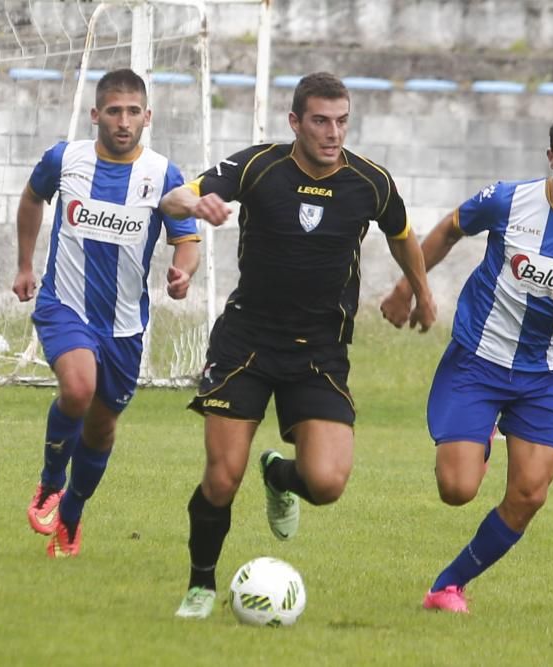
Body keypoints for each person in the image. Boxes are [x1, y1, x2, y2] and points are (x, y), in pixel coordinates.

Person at [160, 71, 437, 620]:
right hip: (247, 341)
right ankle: (201, 587)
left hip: (320, 352)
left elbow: (402, 233)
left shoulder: (370, 181)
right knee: (221, 477)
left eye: (341, 121)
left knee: (327, 483)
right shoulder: (258, 167)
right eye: (320, 121)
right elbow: (172, 199)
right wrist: (194, 208)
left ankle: (279, 475)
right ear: (295, 122)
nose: (333, 133)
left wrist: (420, 293)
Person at [380, 102, 553, 613]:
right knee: (456, 489)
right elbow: (451, 227)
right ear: (550, 157)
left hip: (546, 376)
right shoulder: (507, 199)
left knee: (530, 494)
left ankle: (447, 587)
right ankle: (480, 437)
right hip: (479, 358)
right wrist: (409, 287)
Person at [13, 68, 201, 558]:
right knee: (77, 387)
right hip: (64, 304)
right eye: (113, 111)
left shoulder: (163, 175)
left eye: (133, 112)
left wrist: (183, 273)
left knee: (101, 427)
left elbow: (187, 242)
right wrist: (24, 264)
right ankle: (51, 482)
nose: (123, 121)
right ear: (96, 114)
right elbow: (32, 198)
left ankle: (71, 514)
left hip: (123, 324)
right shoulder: (65, 159)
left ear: (147, 117)